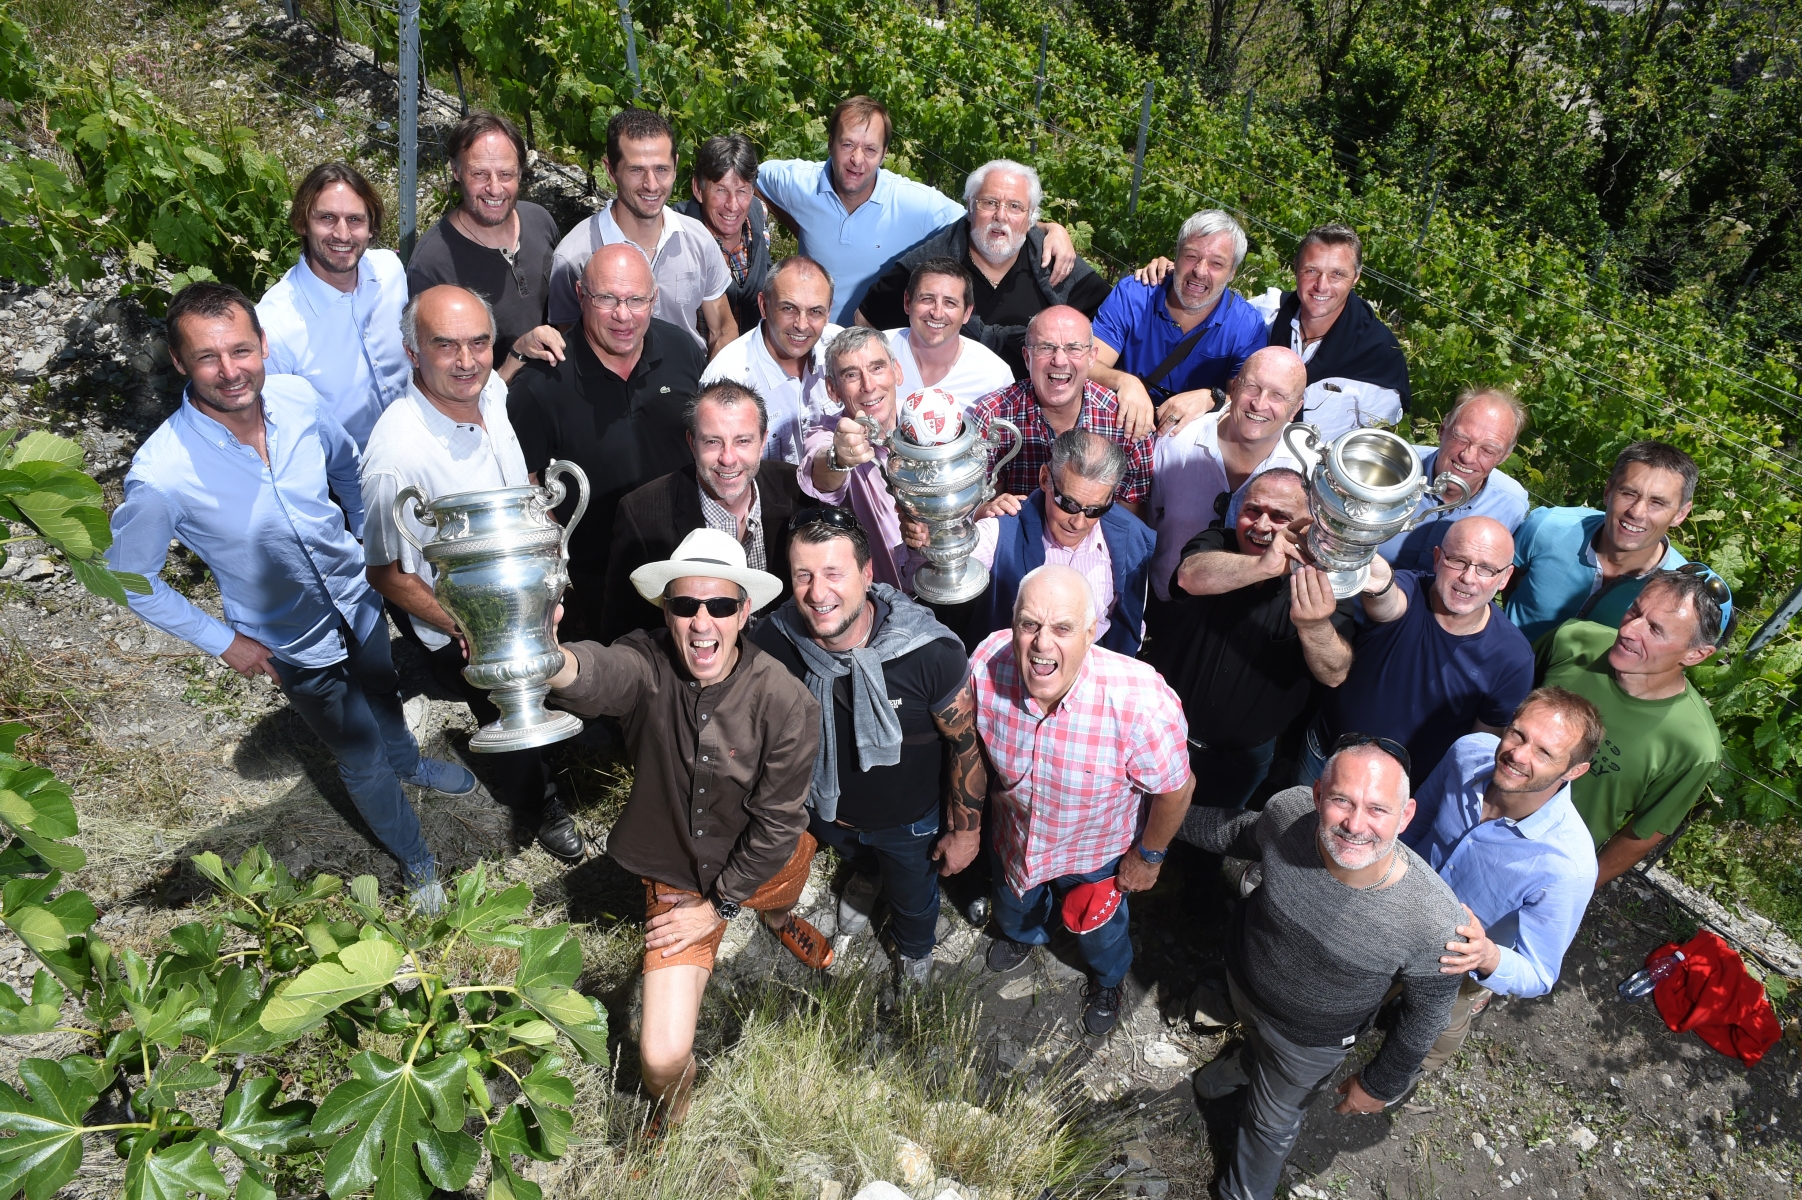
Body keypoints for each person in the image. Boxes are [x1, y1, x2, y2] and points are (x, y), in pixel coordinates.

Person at [105, 282, 466, 910]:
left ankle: (408, 760)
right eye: (208, 357)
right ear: (178, 361)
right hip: (291, 643)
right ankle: (416, 858)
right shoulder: (163, 474)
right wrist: (223, 643)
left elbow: (348, 468)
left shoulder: (297, 399)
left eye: (241, 351)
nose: (230, 371)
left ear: (264, 344)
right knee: (357, 755)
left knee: (384, 687)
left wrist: (370, 543)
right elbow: (131, 578)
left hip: (359, 598)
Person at [543, 528, 832, 1129]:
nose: (703, 622)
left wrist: (722, 904)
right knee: (661, 1055)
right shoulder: (646, 662)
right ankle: (670, 1118)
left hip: (764, 861)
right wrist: (548, 656)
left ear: (744, 612)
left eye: (720, 605)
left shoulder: (787, 702)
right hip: (678, 875)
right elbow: (599, 674)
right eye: (685, 605)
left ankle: (779, 921)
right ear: (665, 610)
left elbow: (779, 824)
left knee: (780, 888)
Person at [358, 284, 585, 867]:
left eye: (479, 343)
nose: (466, 361)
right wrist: (471, 630)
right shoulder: (395, 454)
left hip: (526, 594)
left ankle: (555, 757)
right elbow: (385, 572)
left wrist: (547, 583)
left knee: (546, 687)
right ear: (413, 352)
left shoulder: (493, 394)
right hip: (463, 625)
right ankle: (541, 803)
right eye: (446, 346)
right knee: (501, 713)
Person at [1178, 740, 1465, 1200]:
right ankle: (1249, 1062)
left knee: (1269, 1124)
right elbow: (1240, 833)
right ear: (1316, 796)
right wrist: (1158, 817)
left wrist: (1381, 1084)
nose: (1355, 825)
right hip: (1245, 981)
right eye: (1341, 801)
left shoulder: (1433, 920)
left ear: (1406, 815)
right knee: (1255, 1038)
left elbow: (1427, 1014)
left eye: (1377, 809)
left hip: (1308, 1042)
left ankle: (1241, 1193)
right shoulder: (1288, 813)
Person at [752, 509, 986, 988]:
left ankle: (916, 954)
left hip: (908, 824)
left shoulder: (931, 652)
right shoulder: (773, 640)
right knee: (859, 856)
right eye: (803, 576)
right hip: (826, 811)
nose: (818, 594)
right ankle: (865, 874)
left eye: (834, 573)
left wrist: (966, 833)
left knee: (915, 899)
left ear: (867, 573)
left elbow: (965, 746)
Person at [973, 565, 1192, 1036]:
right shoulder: (986, 663)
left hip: (1094, 855)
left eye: (1062, 628)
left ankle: (1108, 979)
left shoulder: (1141, 703)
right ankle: (1022, 936)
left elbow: (1177, 789)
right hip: (1016, 838)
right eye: (1029, 624)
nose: (1041, 644)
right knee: (1014, 904)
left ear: (1092, 633)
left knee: (1100, 933)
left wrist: (1148, 857)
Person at [508, 244, 704, 640]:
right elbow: (523, 488)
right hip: (596, 589)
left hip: (686, 572)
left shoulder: (683, 350)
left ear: (655, 299)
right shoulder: (540, 384)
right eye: (606, 299)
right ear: (581, 295)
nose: (623, 315)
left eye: (636, 300)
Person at [1403, 688, 1603, 1072]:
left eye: (1545, 753)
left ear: (1575, 771)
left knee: (1436, 1030)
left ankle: (1413, 1072)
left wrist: (1486, 956)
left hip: (1459, 963)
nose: (1518, 755)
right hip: (1402, 909)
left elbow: (1540, 973)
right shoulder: (1467, 753)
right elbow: (1415, 825)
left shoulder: (1566, 866)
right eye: (1518, 734)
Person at [756, 96, 1077, 325]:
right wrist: (796, 224)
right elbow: (754, 180)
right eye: (847, 145)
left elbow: (982, 216)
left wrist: (1049, 228)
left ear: (883, 154)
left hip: (873, 337)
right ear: (830, 144)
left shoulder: (913, 202)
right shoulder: (796, 181)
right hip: (806, 334)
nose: (857, 160)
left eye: (870, 149)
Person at [1154, 469, 1356, 810]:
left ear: (1306, 522)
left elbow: (1335, 672)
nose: (1261, 526)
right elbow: (1189, 575)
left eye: (1279, 517)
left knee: (1207, 846)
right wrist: (1264, 566)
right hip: (1162, 736)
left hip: (1240, 759)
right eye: (1253, 510)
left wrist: (1314, 625)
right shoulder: (1217, 540)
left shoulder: (1329, 579)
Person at [1300, 517, 1535, 788]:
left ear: (1505, 577)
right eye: (1457, 560)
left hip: (1401, 790)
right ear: (1436, 558)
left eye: (1486, 569)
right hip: (1325, 755)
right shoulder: (1409, 587)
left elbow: (1479, 748)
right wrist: (1380, 584)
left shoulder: (1513, 658)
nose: (1468, 578)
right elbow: (1388, 603)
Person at [1536, 569, 1725, 886]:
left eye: (1655, 630)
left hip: (1546, 866)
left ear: (1697, 654)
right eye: (1635, 611)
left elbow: (1643, 833)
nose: (1629, 630)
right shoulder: (1572, 640)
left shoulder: (1694, 747)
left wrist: (1574, 891)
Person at [858, 159, 1112, 380]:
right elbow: (865, 321)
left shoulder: (1054, 264)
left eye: (1014, 206)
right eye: (990, 203)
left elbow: (1114, 326)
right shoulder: (930, 264)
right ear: (970, 207)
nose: (1000, 216)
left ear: (1031, 216)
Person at [600, 380, 809, 642]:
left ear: (763, 439)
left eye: (743, 441)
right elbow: (622, 635)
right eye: (713, 442)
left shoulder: (799, 490)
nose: (728, 458)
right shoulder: (641, 514)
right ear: (692, 442)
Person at [546, 109, 737, 358]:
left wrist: (707, 388)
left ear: (676, 165)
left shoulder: (698, 239)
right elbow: (572, 354)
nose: (652, 184)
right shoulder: (573, 258)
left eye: (661, 169)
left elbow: (723, 328)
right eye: (636, 170)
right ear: (611, 171)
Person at [257, 162, 409, 449]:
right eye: (327, 218)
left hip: (419, 449)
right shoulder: (274, 325)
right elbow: (278, 433)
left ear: (371, 227)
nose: (342, 234)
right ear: (302, 223)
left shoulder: (390, 272)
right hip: (343, 482)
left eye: (355, 220)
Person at [962, 429, 1154, 655]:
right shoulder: (1001, 530)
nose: (1079, 522)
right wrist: (971, 518)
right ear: (1045, 479)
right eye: (1068, 504)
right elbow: (933, 566)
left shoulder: (1133, 537)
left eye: (1096, 509)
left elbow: (1131, 622)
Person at [406, 113, 564, 384]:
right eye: (479, 174)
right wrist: (517, 357)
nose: (494, 188)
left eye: (505, 174)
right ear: (456, 172)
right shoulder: (432, 265)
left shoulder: (540, 221)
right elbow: (444, 382)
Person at [1147, 346, 1310, 603]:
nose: (1259, 403)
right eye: (1252, 387)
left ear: (1295, 408)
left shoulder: (1309, 467)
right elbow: (1145, 520)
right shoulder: (1177, 441)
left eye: (1278, 395)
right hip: (1170, 601)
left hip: (1250, 622)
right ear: (1233, 387)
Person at [1091, 211, 1268, 440]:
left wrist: (1211, 397)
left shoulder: (1246, 325)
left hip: (1191, 445)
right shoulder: (1134, 295)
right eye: (1192, 256)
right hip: (1121, 427)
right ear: (1175, 255)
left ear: (1233, 272)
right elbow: (1087, 362)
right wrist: (1125, 381)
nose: (1200, 271)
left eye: (1216, 263)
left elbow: (1250, 400)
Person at [1506, 441, 1698, 643]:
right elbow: (1507, 577)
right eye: (1628, 493)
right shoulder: (1547, 528)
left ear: (1681, 514)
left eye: (1657, 503)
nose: (1637, 512)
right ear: (1608, 492)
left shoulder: (1679, 588)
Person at [968, 306, 1154, 514]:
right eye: (1046, 347)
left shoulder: (1124, 421)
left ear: (1092, 357)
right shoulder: (994, 414)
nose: (1059, 360)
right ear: (1027, 357)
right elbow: (978, 508)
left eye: (1073, 348)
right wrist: (988, 510)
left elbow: (1129, 522)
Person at [1251, 224, 1412, 443]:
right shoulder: (1266, 315)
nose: (1322, 285)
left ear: (1356, 277)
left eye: (1337, 274)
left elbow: (1376, 443)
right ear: (1295, 267)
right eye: (1311, 271)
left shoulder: (1379, 354)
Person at [800, 327, 926, 592]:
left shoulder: (928, 418)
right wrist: (840, 459)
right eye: (852, 375)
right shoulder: (826, 435)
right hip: (885, 605)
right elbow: (821, 470)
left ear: (897, 372)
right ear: (833, 390)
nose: (868, 385)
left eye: (877, 368)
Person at [699, 255, 842, 465]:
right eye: (788, 308)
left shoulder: (841, 349)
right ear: (764, 306)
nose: (802, 325)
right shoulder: (729, 376)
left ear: (828, 312)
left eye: (815, 312)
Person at [1377, 387, 1531, 572]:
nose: (1468, 456)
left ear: (1504, 456)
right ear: (1443, 430)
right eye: (1461, 439)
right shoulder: (1390, 465)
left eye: (1488, 450)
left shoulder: (1509, 506)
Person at [674, 133, 773, 339]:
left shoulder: (758, 215)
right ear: (698, 190)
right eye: (721, 190)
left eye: (742, 191)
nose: (733, 204)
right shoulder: (676, 234)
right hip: (694, 363)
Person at [883, 257, 1013, 410]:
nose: (937, 314)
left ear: (967, 313)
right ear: (907, 302)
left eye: (950, 303)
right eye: (927, 299)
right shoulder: (876, 350)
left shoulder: (995, 375)